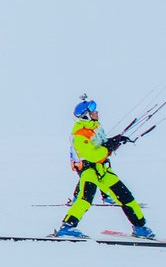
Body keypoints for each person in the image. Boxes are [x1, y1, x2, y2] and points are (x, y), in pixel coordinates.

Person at [56, 97, 153, 239]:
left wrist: (116, 140)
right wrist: (109, 146)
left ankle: (140, 227)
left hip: (103, 170)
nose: (96, 112)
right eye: (93, 110)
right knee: (85, 199)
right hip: (89, 171)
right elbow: (93, 155)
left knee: (126, 197)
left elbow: (102, 144)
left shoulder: (95, 127)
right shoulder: (79, 135)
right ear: (86, 116)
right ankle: (67, 227)